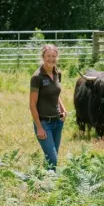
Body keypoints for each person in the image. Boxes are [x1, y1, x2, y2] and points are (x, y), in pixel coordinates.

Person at [29, 44, 67, 172]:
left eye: (54, 56)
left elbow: (56, 94)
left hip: (58, 122)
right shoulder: (37, 77)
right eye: (48, 56)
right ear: (43, 57)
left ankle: (45, 182)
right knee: (53, 158)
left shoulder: (58, 73)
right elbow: (32, 105)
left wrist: (63, 109)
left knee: (52, 157)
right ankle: (52, 186)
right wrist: (39, 127)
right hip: (44, 123)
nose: (51, 59)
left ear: (57, 57)